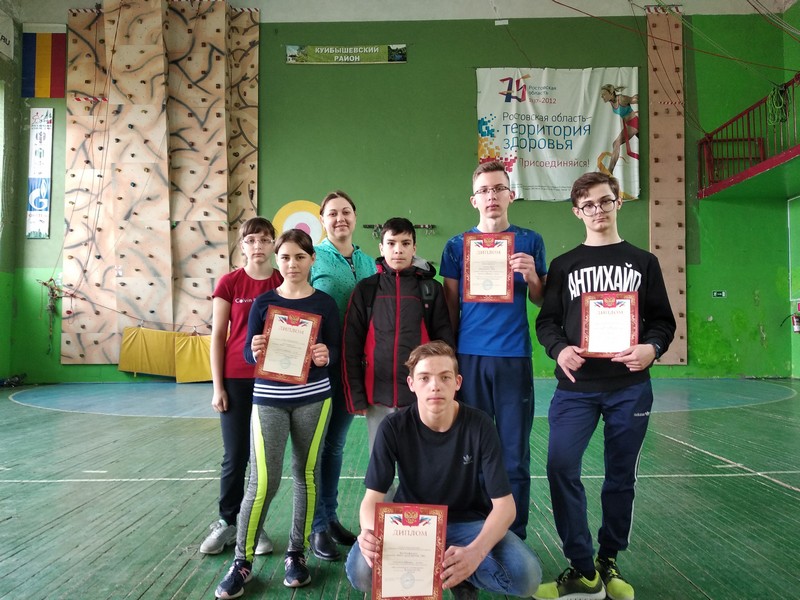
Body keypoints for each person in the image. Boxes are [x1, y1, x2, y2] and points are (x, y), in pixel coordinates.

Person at [533, 172, 676, 600]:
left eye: (605, 201)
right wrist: (559, 350)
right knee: (560, 467)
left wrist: (652, 348)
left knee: (620, 476)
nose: (598, 210)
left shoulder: (643, 262)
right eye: (588, 205)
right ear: (577, 212)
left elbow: (663, 322)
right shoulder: (564, 265)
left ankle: (608, 559)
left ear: (618, 203)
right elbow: (546, 322)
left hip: (629, 387)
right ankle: (582, 568)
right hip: (575, 387)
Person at [345, 341, 542, 600]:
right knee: (361, 571)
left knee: (527, 576)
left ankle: (461, 572)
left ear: (457, 382)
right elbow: (372, 497)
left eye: (445, 377)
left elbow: (505, 507)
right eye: (424, 378)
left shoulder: (480, 425)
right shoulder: (393, 427)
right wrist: (368, 532)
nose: (435, 385)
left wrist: (475, 554)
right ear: (411, 383)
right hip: (411, 526)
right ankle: (445, 570)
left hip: (468, 523)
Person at [214, 229, 341, 599]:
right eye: (285, 257)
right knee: (262, 481)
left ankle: (296, 554)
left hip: (314, 398)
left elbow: (334, 349)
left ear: (312, 259)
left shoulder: (325, 303)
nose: (292, 264)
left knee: (306, 476)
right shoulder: (263, 303)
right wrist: (253, 349)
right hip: (269, 397)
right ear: (277, 260)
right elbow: (250, 353)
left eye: (300, 257)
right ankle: (242, 562)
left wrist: (325, 355)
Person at [440, 159, 547, 539]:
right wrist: (452, 357)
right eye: (484, 190)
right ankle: (477, 529)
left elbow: (541, 299)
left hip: (514, 358)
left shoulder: (530, 241)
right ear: (474, 200)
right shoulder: (456, 246)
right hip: (470, 358)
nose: (492, 196)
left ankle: (514, 535)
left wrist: (532, 276)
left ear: (510, 194)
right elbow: (449, 306)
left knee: (514, 453)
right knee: (471, 450)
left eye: (498, 188)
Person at [201, 217, 283, 556]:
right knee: (235, 455)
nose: (258, 246)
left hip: (273, 380)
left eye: (265, 239)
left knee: (262, 457)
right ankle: (226, 521)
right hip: (235, 380)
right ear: (242, 245)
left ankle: (254, 524)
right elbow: (218, 336)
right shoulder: (230, 283)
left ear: (273, 244)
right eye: (251, 240)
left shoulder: (282, 280)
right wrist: (217, 386)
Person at [341, 217, 454, 451]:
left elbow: (445, 346)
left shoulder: (431, 290)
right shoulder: (366, 289)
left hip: (421, 397)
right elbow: (350, 346)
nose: (398, 250)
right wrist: (356, 395)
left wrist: (444, 388)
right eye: (391, 243)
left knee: (419, 463)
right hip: (377, 395)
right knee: (380, 464)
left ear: (414, 247)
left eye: (405, 243)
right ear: (381, 248)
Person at [308, 190, 377, 561]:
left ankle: (330, 517)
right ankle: (317, 526)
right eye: (332, 213)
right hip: (318, 367)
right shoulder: (313, 257)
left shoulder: (367, 262)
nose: (340, 219)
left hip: (352, 366)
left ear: (355, 216)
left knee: (335, 445)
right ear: (323, 219)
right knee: (318, 447)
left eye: (346, 212)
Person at [600, 84, 639, 174]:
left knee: (616, 143)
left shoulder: (621, 99)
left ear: (611, 93)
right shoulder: (611, 101)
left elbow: (633, 99)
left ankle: (609, 172)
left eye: (604, 94)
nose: (602, 96)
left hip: (634, 124)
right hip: (629, 125)